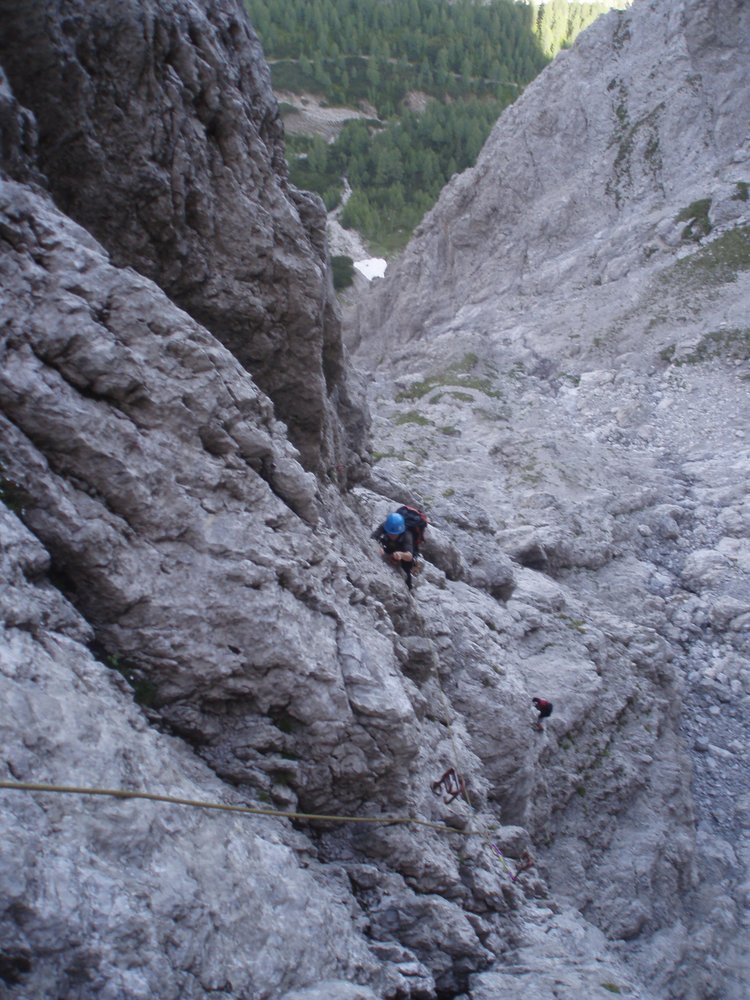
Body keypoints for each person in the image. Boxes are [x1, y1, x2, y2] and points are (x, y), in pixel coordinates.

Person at [372, 511, 416, 590]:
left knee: (406, 568)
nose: (392, 535)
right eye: (390, 533)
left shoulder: (407, 535)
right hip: (389, 546)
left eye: (394, 534)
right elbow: (373, 537)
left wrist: (401, 555)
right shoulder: (386, 526)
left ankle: (408, 588)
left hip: (403, 551)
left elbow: (409, 556)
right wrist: (377, 547)